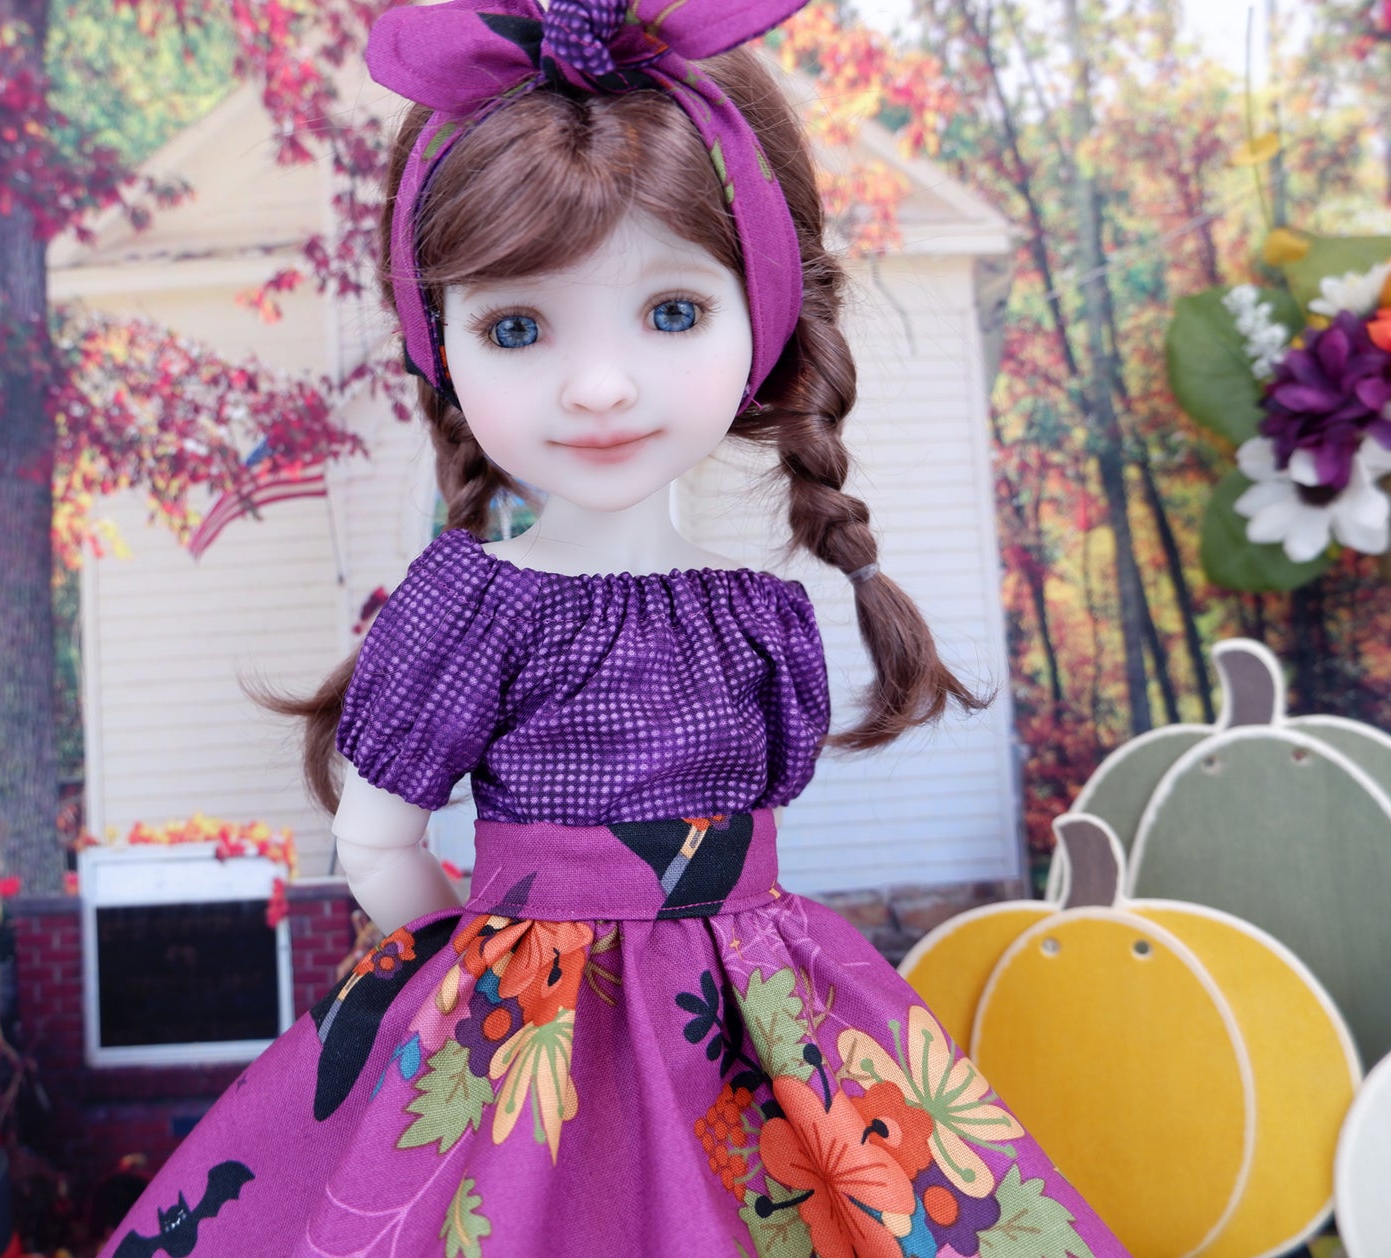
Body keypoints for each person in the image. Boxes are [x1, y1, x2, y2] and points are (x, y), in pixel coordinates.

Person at [102, 1, 1128, 1254]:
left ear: (764, 320)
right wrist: (482, 957)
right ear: (444, 348)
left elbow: (382, 850)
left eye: (674, 312)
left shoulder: (755, 613)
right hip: (559, 1025)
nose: (598, 385)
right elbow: (375, 831)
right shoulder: (476, 606)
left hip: (732, 1028)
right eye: (516, 328)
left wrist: (466, 951)